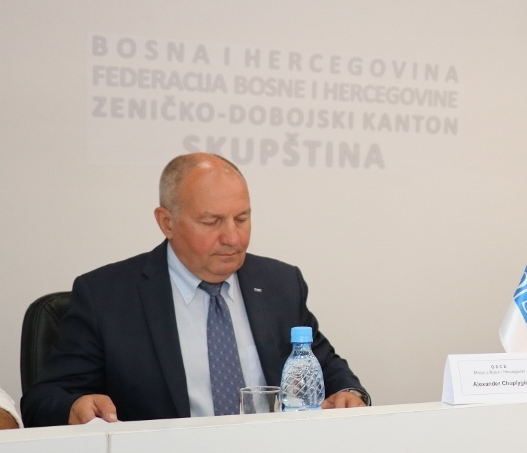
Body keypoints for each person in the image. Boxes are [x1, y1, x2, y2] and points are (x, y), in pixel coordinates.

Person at [21, 153, 368, 427]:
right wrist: (75, 406)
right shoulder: (107, 297)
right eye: (211, 221)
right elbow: (44, 399)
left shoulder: (280, 283)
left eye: (242, 218)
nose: (232, 237)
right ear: (166, 222)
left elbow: (326, 366)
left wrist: (349, 393)